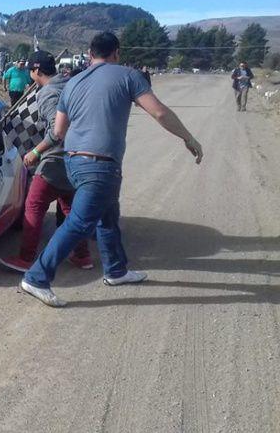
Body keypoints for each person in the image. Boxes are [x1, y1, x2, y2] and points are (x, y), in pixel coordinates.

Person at [20, 31, 204, 307]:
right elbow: (159, 112)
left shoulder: (73, 82)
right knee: (79, 223)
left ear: (90, 54)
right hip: (100, 163)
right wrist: (188, 137)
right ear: (117, 53)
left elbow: (58, 131)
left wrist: (36, 151)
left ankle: (116, 270)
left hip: (73, 161)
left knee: (107, 216)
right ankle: (36, 277)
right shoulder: (128, 75)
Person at [0, 51, 93, 273]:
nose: (29, 74)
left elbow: (57, 131)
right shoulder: (68, 84)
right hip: (77, 156)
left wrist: (35, 152)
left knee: (33, 206)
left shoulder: (49, 93)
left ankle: (26, 258)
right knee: (70, 209)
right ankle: (82, 256)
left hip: (56, 159)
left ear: (37, 71)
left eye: (30, 70)